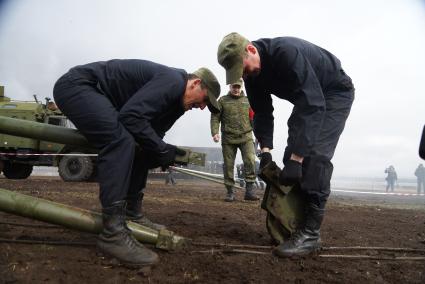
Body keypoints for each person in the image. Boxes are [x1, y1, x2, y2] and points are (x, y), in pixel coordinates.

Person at [53, 59, 220, 267]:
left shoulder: (177, 106)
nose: (203, 107)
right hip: (78, 87)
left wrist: (163, 152)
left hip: (100, 98)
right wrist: (160, 148)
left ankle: (132, 213)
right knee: (120, 141)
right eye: (205, 100)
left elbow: (151, 138)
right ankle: (112, 233)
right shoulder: (173, 81)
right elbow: (130, 117)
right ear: (195, 83)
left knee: (143, 147)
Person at [217, 33, 354, 257]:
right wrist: (266, 153)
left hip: (334, 93)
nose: (244, 75)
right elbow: (262, 112)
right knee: (293, 155)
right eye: (239, 74)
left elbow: (314, 105)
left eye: (243, 68)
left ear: (251, 50)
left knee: (315, 156)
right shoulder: (252, 75)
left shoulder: (285, 53)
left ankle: (310, 234)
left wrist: (298, 159)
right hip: (308, 99)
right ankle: (295, 223)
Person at [210, 79, 259, 202]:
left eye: (238, 87)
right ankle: (230, 192)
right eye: (234, 87)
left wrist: (259, 134)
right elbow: (215, 117)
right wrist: (215, 132)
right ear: (230, 86)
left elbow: (254, 118)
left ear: (241, 87)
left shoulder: (248, 101)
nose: (236, 89)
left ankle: (249, 191)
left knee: (250, 161)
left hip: (246, 137)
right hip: (228, 138)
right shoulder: (222, 101)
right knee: (228, 165)